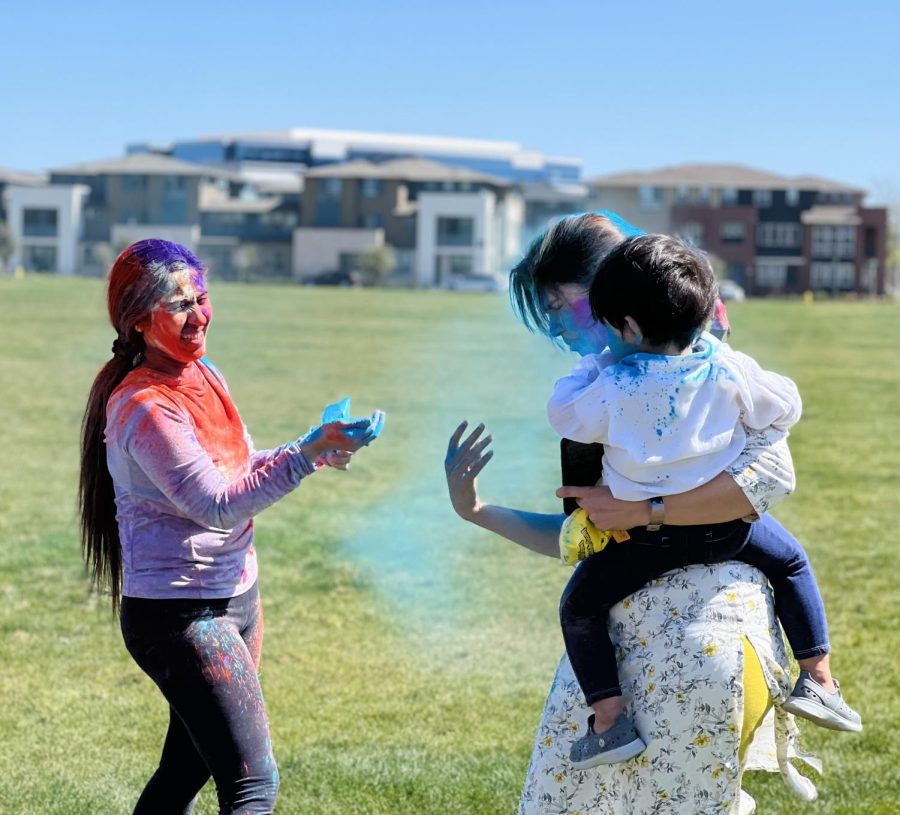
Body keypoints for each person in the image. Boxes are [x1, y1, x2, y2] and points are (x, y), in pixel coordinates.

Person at [444, 212, 822, 813]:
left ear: (620, 299)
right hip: (625, 652)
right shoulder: (610, 395)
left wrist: (646, 511)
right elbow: (590, 535)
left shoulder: (715, 378)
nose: (560, 333)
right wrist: (478, 511)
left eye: (564, 309)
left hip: (702, 646)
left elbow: (769, 480)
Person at [78, 239, 384, 815]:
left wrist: (315, 447)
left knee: (185, 768)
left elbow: (234, 467)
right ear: (140, 322)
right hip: (181, 616)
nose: (199, 315)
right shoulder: (144, 404)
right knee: (253, 785)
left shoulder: (203, 373)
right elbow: (215, 504)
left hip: (237, 598)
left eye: (202, 297)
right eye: (179, 304)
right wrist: (305, 454)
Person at [546, 234, 860, 768]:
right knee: (791, 561)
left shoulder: (612, 385)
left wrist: (595, 366)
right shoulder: (725, 369)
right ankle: (818, 678)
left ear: (630, 328)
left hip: (644, 541)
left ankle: (608, 719)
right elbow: (785, 406)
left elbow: (564, 413)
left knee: (579, 607)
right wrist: (730, 364)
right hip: (727, 527)